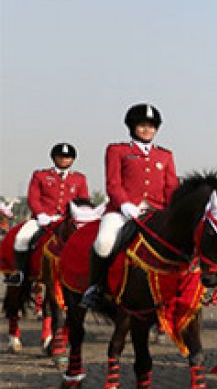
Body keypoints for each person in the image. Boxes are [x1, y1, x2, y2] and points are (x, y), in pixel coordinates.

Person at [81, 104, 179, 308]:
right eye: (142, 125)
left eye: (151, 126)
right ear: (132, 127)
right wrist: (124, 204)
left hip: (155, 211)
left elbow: (171, 187)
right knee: (104, 242)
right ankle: (95, 288)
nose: (147, 130)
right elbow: (113, 183)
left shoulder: (165, 156)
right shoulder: (117, 150)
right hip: (122, 211)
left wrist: (173, 211)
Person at [4, 143, 89, 286]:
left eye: (68, 157)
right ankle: (20, 273)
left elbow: (83, 202)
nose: (64, 160)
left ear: (73, 160)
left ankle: (87, 278)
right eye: (60, 157)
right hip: (43, 219)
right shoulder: (40, 175)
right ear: (54, 158)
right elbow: (33, 198)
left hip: (67, 220)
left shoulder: (79, 179)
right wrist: (41, 215)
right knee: (22, 237)